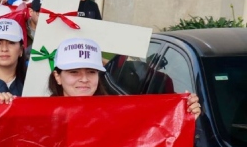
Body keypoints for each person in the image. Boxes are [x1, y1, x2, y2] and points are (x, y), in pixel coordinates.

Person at [47, 38, 202, 116]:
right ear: (57, 76)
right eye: (74, 72)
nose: (84, 78)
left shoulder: (117, 114)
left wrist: (183, 118)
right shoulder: (38, 117)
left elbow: (151, 142)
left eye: (91, 71)